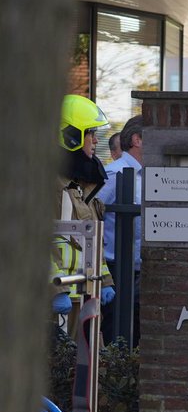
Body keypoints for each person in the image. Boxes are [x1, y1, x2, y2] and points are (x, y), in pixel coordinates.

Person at [53, 95, 114, 331]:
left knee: (86, 365)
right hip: (55, 300)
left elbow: (91, 240)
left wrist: (105, 280)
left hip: (82, 295)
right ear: (71, 136)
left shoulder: (80, 184)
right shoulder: (52, 185)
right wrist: (56, 289)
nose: (95, 140)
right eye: (90, 133)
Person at [99, 116, 144, 346]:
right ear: (138, 140)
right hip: (115, 267)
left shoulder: (148, 175)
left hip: (139, 268)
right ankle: (112, 378)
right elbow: (90, 213)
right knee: (116, 332)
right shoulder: (114, 174)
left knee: (137, 329)